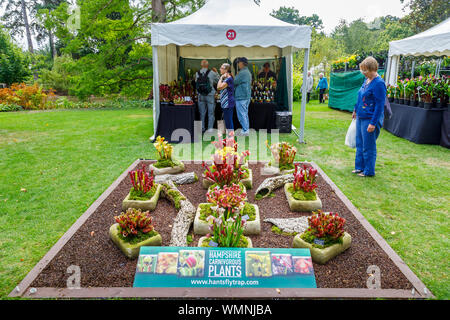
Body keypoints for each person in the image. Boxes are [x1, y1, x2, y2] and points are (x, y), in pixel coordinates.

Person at [352, 56, 386, 177]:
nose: (364, 73)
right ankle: (359, 167)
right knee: (360, 143)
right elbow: (360, 96)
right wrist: (355, 109)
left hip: (370, 118)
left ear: (373, 69)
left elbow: (380, 105)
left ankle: (368, 171)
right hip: (361, 117)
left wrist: (373, 123)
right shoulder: (366, 81)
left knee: (368, 145)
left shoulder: (379, 84)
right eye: (363, 70)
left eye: (366, 70)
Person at [195, 59, 219, 133]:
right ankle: (210, 129)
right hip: (210, 95)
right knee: (211, 113)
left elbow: (196, 82)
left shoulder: (197, 73)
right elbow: (218, 80)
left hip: (201, 95)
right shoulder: (212, 73)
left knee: (202, 113)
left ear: (201, 65)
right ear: (208, 65)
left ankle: (202, 128)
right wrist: (217, 72)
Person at [234, 57, 252, 136]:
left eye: (239, 63)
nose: (238, 64)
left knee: (241, 114)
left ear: (242, 63)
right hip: (246, 96)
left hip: (241, 96)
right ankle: (246, 129)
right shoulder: (247, 71)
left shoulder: (242, 72)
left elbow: (235, 82)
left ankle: (245, 130)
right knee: (245, 114)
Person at [217, 63, 235, 135]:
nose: (220, 69)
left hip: (228, 103)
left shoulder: (229, 79)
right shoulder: (227, 79)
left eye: (221, 68)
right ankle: (230, 137)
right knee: (228, 121)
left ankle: (231, 138)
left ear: (226, 70)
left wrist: (221, 77)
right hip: (226, 103)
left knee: (229, 122)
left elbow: (218, 87)